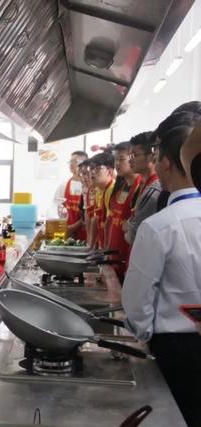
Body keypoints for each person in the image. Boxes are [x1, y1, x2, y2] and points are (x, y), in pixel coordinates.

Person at [122, 124, 201, 427]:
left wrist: (142, 335)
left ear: (165, 161)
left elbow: (137, 298)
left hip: (175, 349)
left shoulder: (160, 225)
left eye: (154, 154)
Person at [107, 142, 141, 278]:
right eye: (115, 160)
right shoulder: (119, 188)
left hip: (128, 262)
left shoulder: (140, 187)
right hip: (113, 260)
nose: (117, 164)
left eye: (121, 159)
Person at [125, 132, 161, 244]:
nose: (129, 160)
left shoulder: (154, 188)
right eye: (129, 156)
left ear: (151, 155)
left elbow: (133, 235)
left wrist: (128, 226)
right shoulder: (141, 185)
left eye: (134, 155)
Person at [55, 151, 88, 239]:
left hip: (86, 232)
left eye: (75, 161)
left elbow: (89, 213)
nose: (71, 164)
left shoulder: (89, 186)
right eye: (70, 161)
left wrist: (74, 226)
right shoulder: (63, 186)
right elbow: (57, 208)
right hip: (67, 232)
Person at [88, 152, 115, 249]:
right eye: (91, 168)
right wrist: (90, 247)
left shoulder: (112, 190)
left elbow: (110, 223)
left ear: (110, 171)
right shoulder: (99, 190)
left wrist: (106, 253)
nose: (93, 172)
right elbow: (95, 219)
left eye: (98, 168)